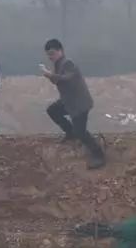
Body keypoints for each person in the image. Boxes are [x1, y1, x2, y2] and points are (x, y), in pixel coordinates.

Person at [41, 39, 105, 170]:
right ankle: (70, 133)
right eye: (48, 54)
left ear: (60, 51)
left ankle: (99, 155)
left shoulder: (68, 63)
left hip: (79, 104)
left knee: (81, 131)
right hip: (68, 102)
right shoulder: (58, 64)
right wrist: (51, 75)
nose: (50, 57)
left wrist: (50, 75)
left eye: (52, 53)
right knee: (53, 110)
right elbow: (59, 80)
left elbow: (65, 78)